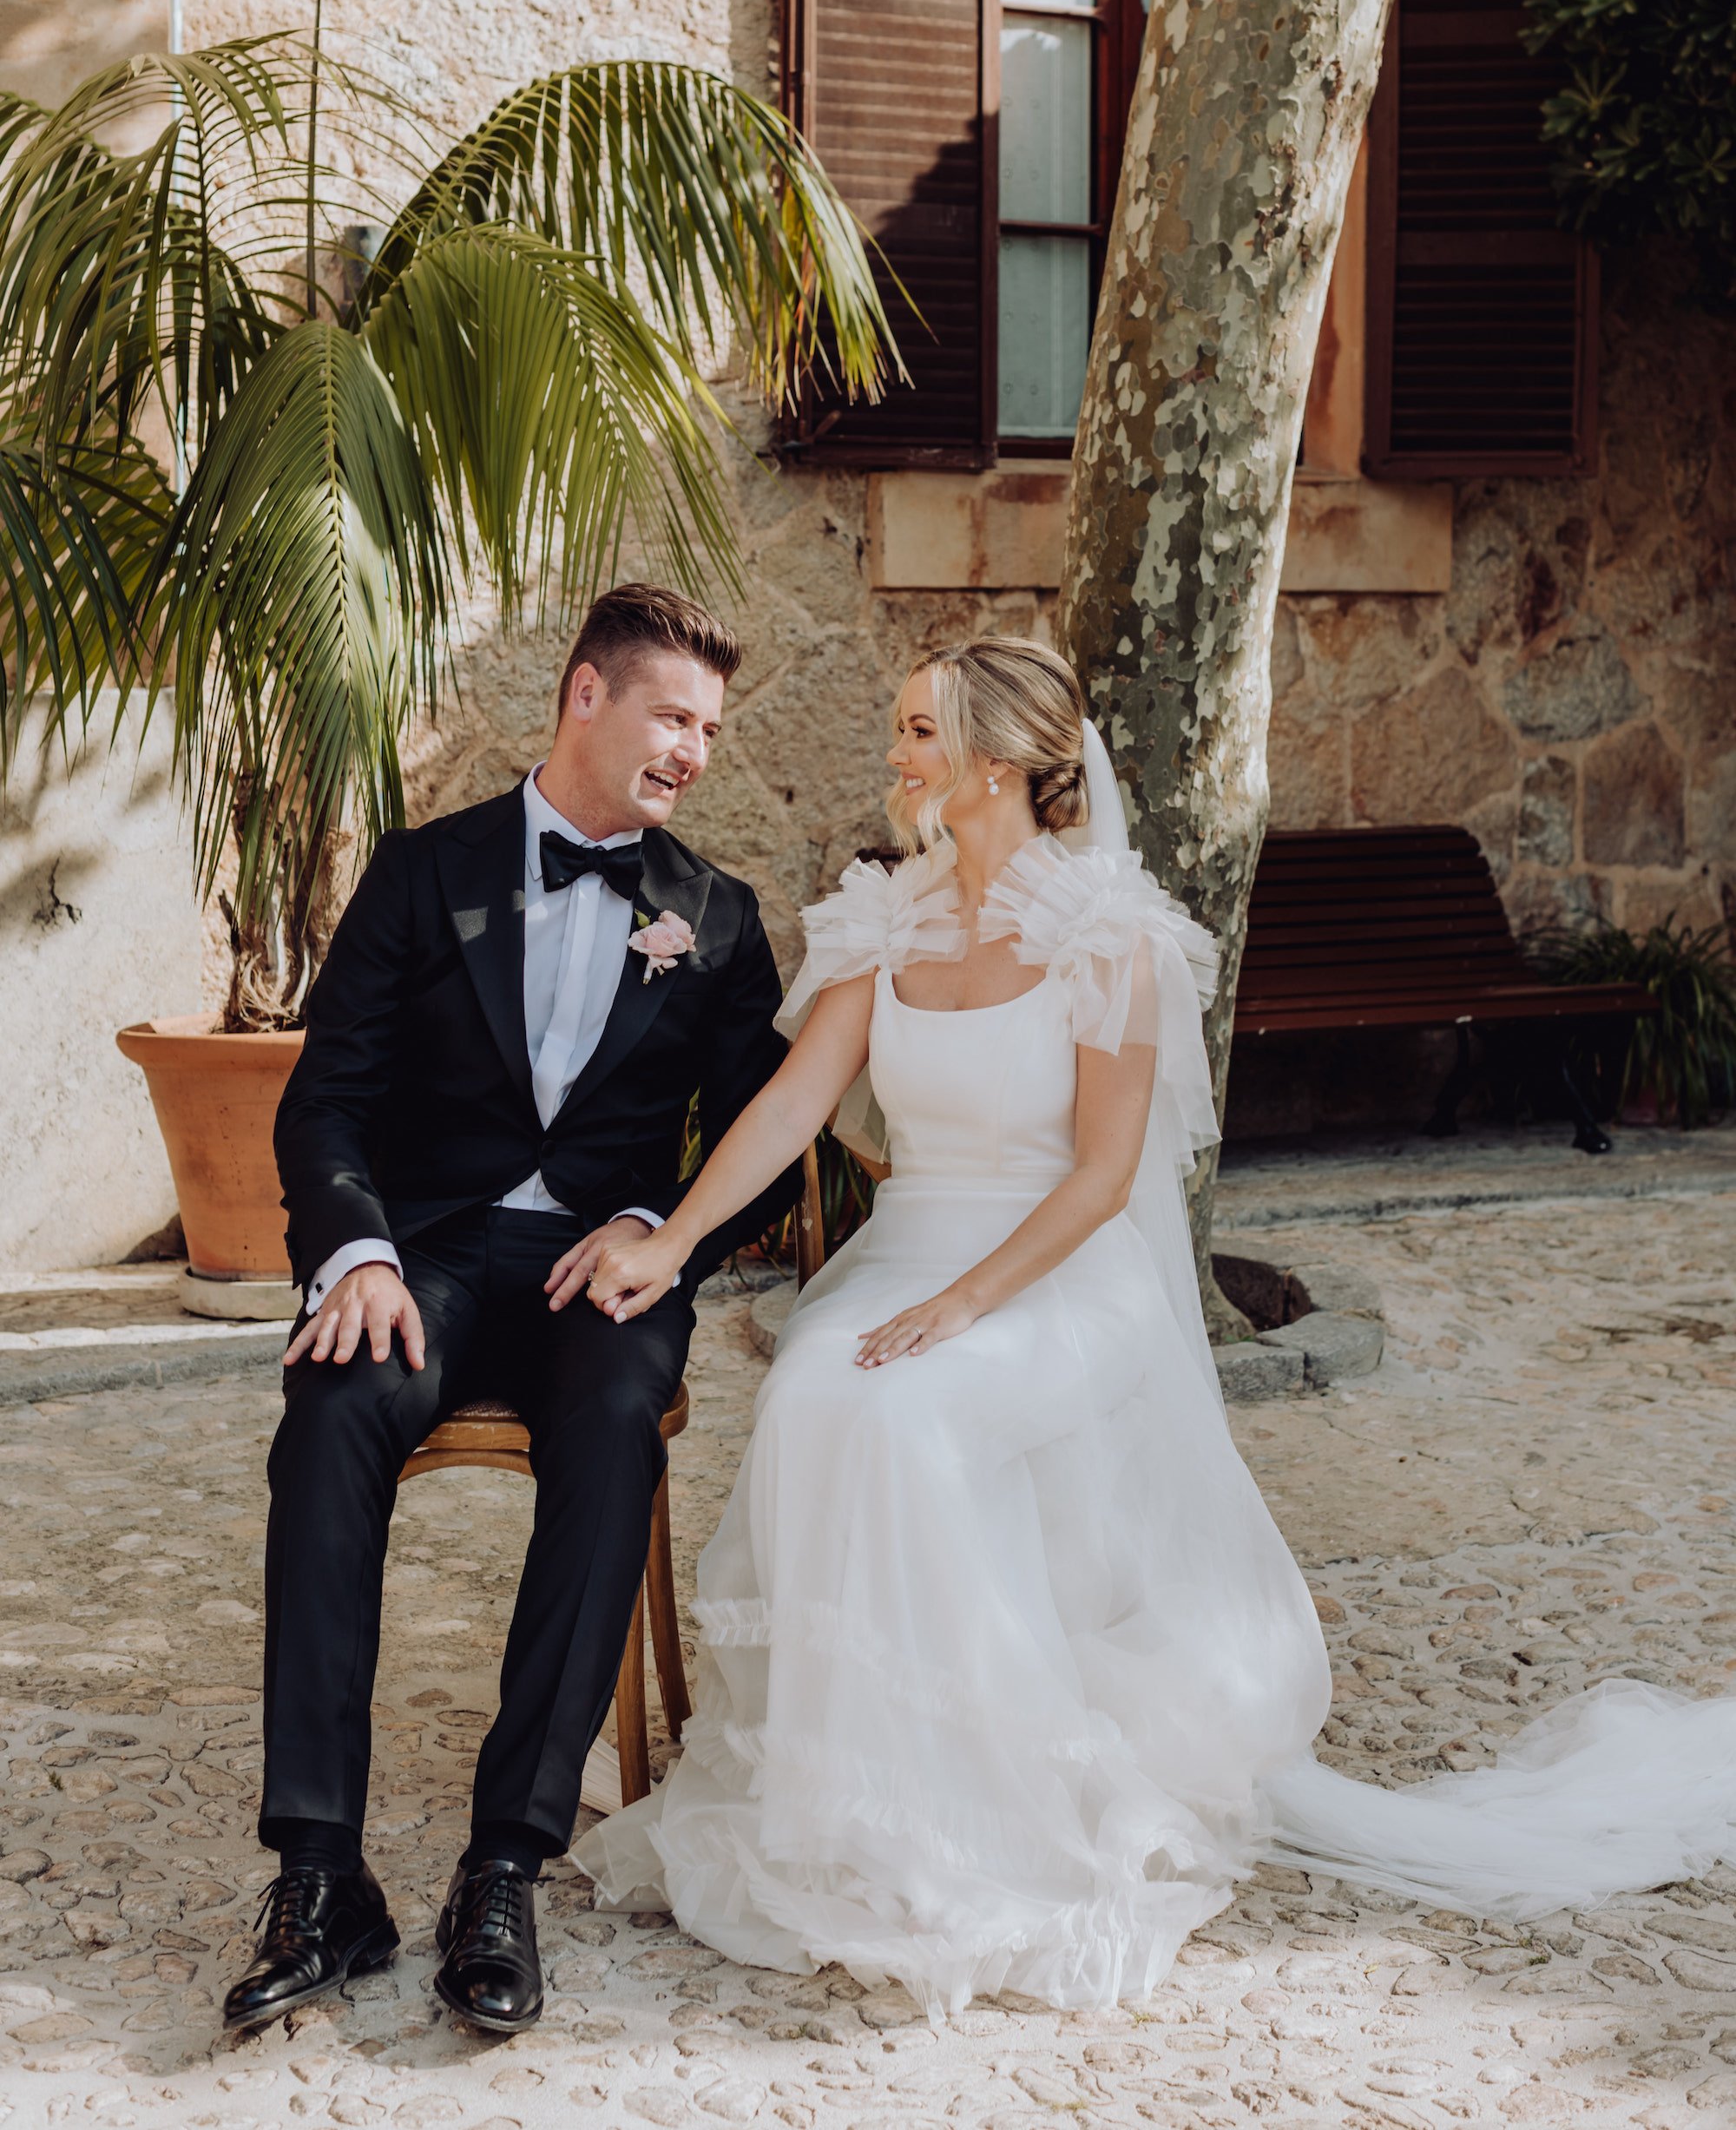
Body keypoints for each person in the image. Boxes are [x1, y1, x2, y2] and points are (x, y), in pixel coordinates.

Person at [568, 636, 1736, 2016]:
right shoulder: (884, 920)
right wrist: (678, 1237)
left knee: (916, 1415)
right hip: (911, 1252)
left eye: (918, 731)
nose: (896, 754)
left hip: (1062, 1270)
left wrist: (964, 1304)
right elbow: (788, 1109)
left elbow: (1105, 1179)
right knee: (822, 1395)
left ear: (995, 762)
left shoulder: (1108, 936)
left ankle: (983, 1816)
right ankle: (844, 1795)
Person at [224, 585, 802, 2039]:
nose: (694, 750)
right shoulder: (425, 874)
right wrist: (349, 1255)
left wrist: (662, 1235)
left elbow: (756, 1151)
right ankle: (316, 1871)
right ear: (585, 696)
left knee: (617, 1420)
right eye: (672, 715)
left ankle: (505, 1863)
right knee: (335, 1404)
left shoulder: (716, 919)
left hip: (598, 1272)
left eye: (712, 729)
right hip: (423, 1253)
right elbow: (328, 1102)